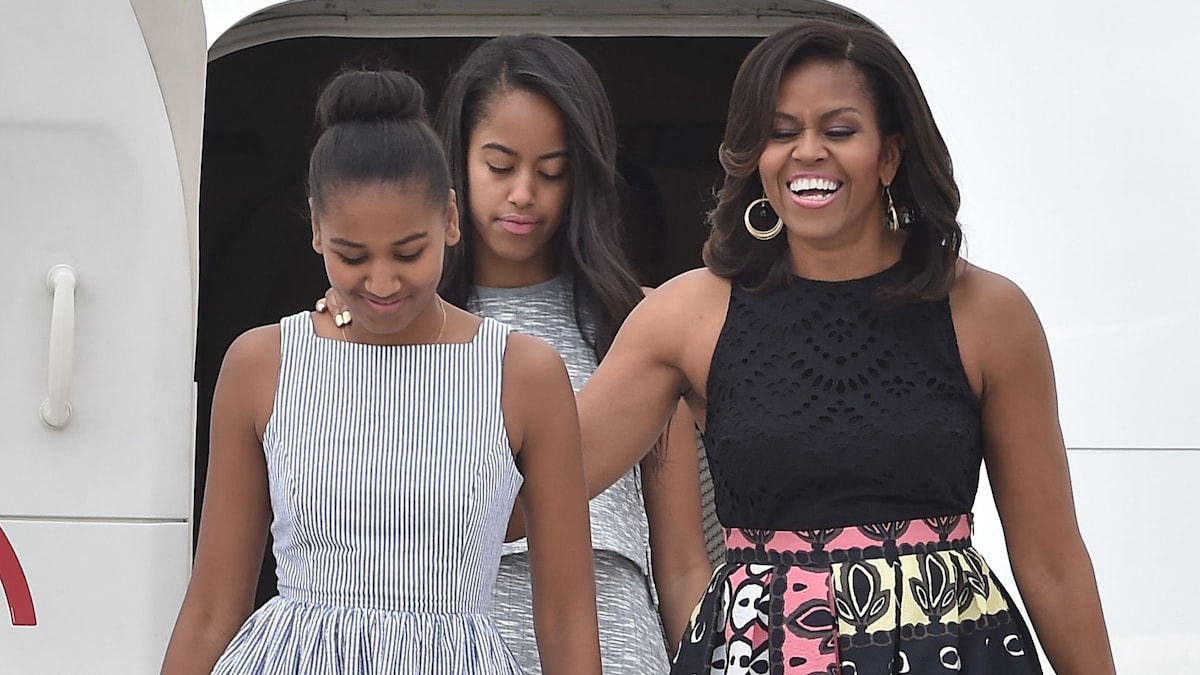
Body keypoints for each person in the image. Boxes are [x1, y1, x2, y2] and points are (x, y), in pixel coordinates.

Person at [572, 19, 1116, 674]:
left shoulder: (989, 313)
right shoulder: (686, 314)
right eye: (781, 132)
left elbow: (1052, 562)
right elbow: (533, 488)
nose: (807, 152)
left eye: (838, 130)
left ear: (889, 155)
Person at [160, 67, 602, 675]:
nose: (383, 283)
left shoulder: (523, 374)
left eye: (408, 251)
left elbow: (565, 617)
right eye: (352, 256)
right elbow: (213, 607)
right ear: (316, 229)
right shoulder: (261, 365)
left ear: (450, 219)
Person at [318, 34, 713, 673]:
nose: (524, 193)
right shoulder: (383, 312)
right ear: (454, 168)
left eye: (551, 171)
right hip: (436, 639)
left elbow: (683, 562)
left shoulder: (633, 318)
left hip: (613, 643)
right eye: (500, 167)